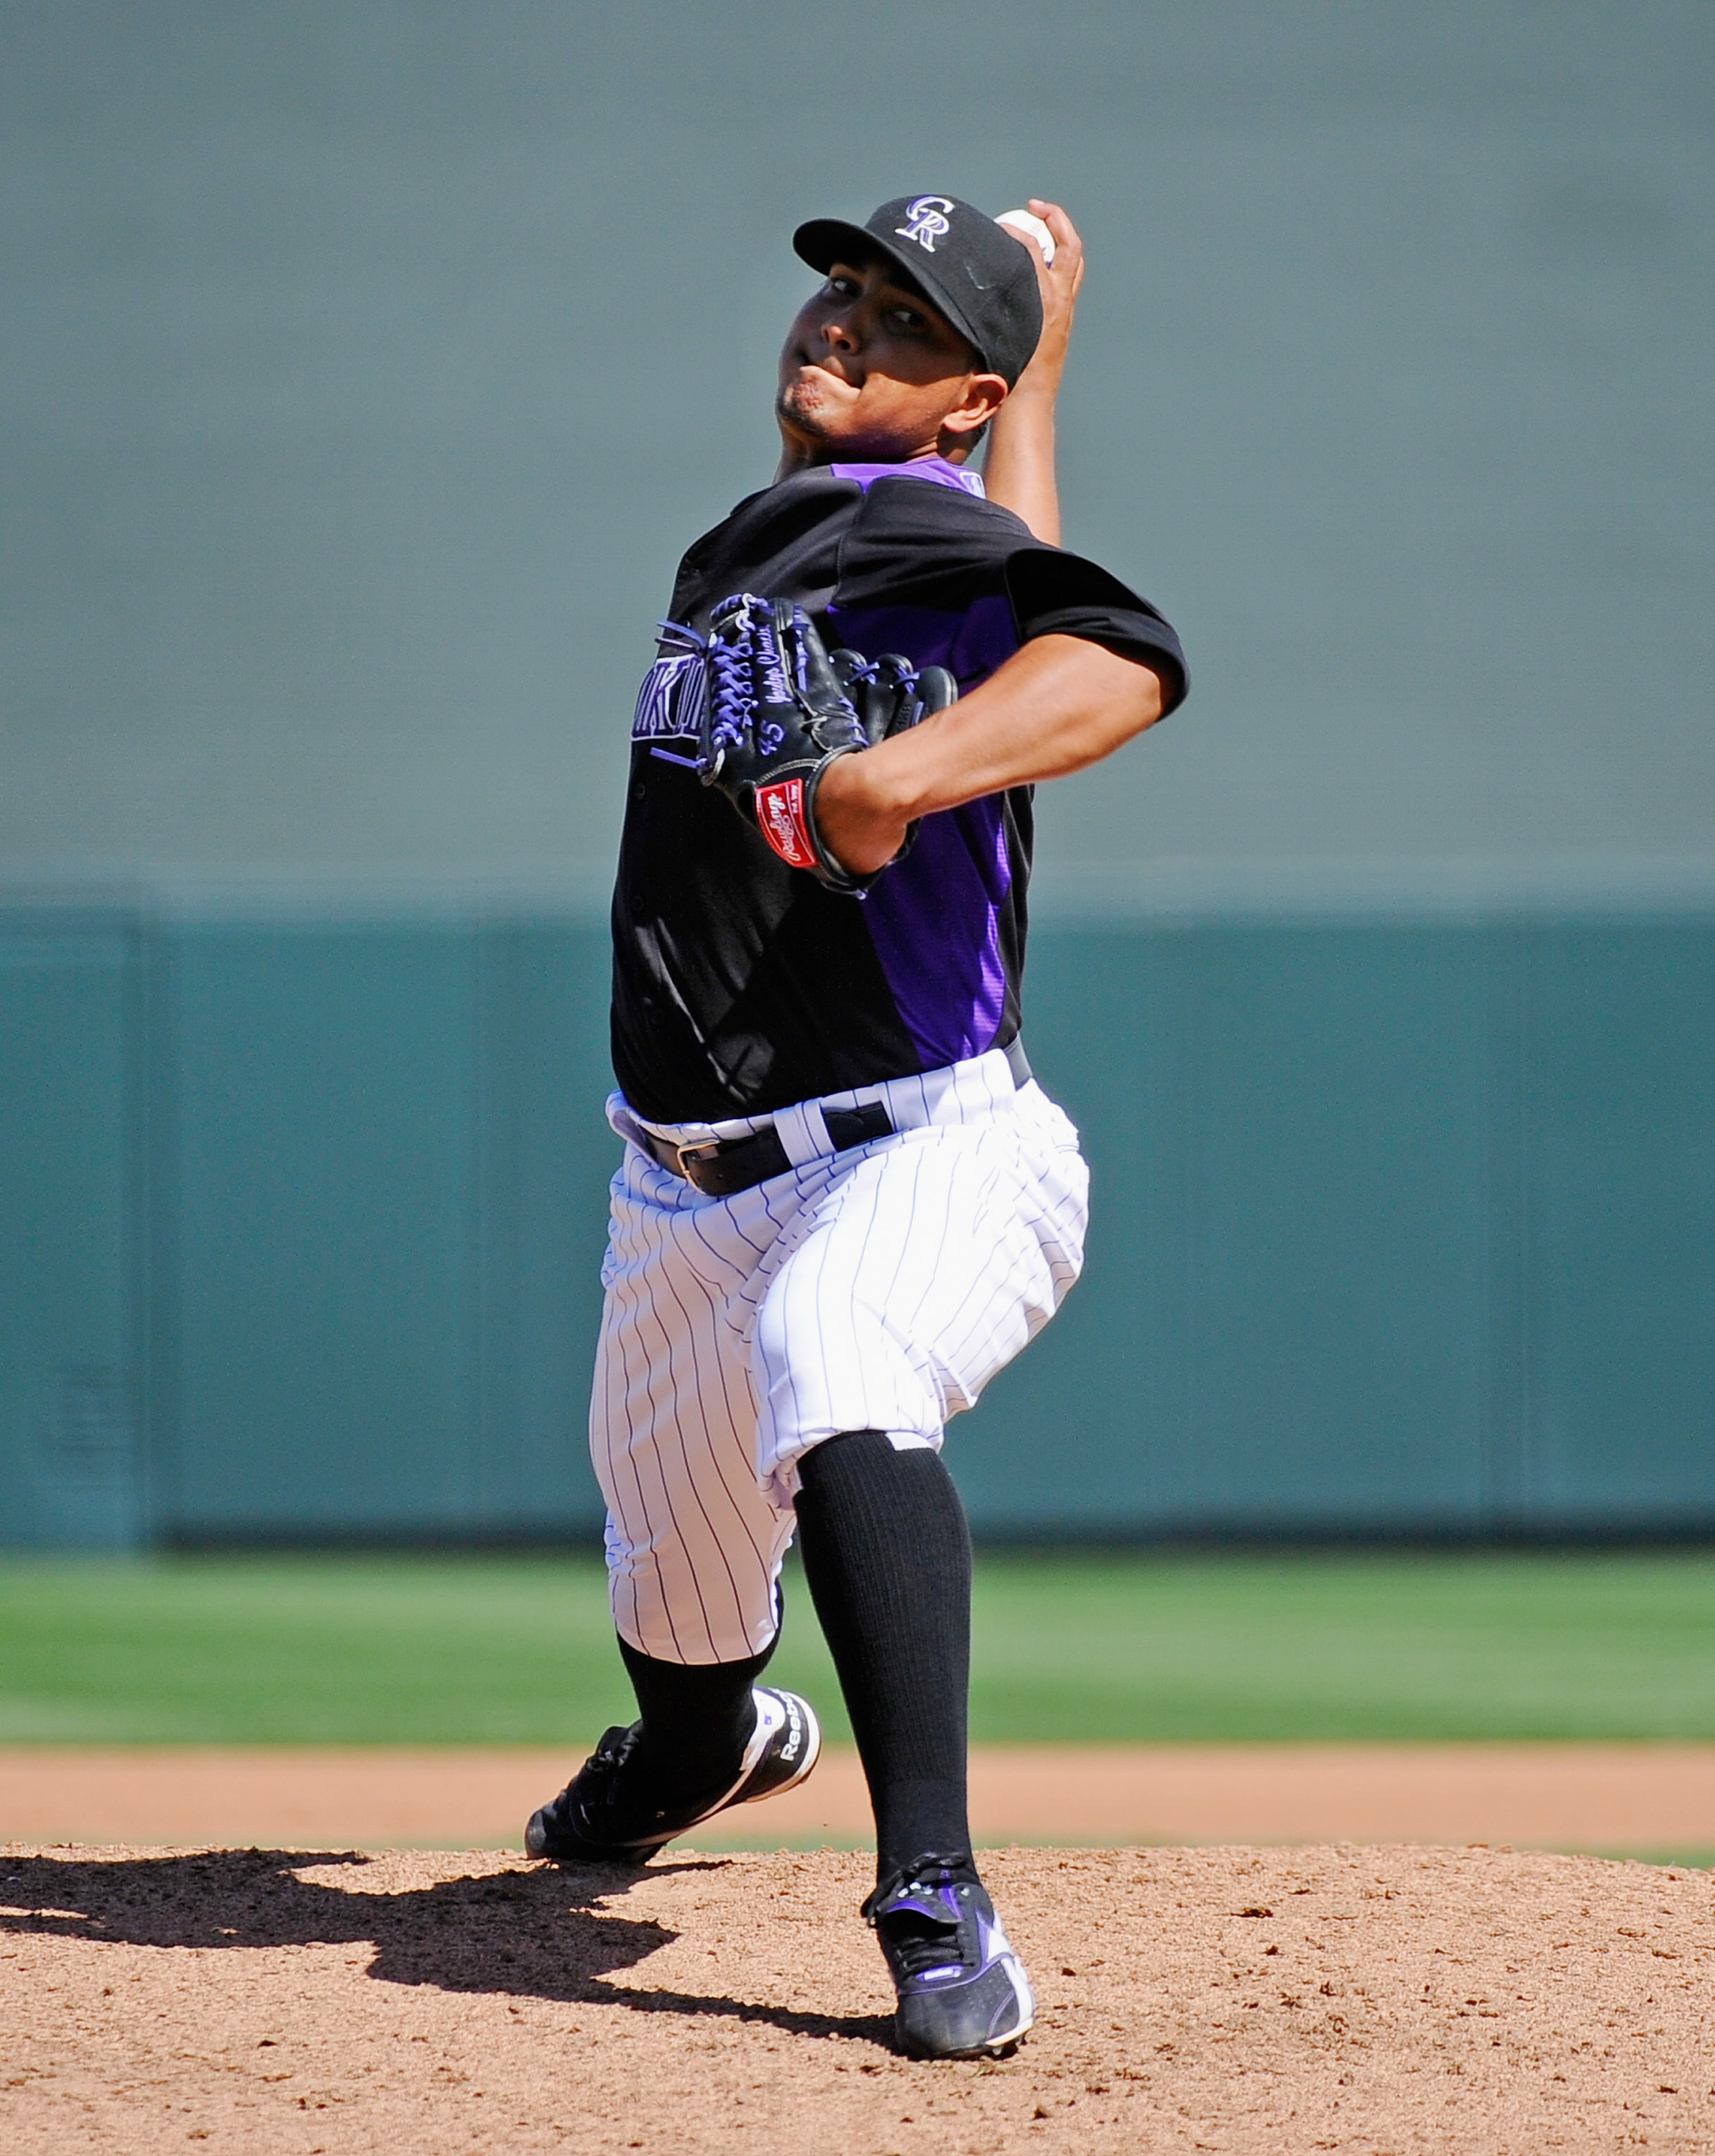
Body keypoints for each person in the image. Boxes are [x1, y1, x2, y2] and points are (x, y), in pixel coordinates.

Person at [526, 193, 1187, 2061]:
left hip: (923, 1150)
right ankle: (702, 1750)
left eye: (898, 324)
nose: (842, 323)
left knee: (841, 1359)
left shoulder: (913, 524)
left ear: (952, 397)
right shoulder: (783, 533)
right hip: (678, 1194)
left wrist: (889, 781)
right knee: (680, 1644)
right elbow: (1005, 554)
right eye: (841, 287)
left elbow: (1113, 663)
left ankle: (930, 1893)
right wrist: (1030, 365)